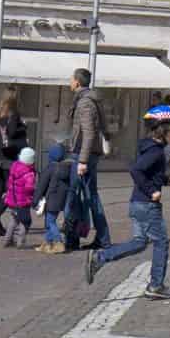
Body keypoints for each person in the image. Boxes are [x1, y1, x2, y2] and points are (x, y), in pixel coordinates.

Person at [85, 104, 170, 300]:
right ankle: (156, 285)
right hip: (147, 205)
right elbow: (136, 170)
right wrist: (152, 190)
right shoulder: (156, 152)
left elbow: (146, 171)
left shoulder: (149, 146)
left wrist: (163, 180)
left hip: (137, 203)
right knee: (161, 242)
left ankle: (100, 257)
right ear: (164, 131)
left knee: (139, 242)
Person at [64, 69, 111, 250]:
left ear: (77, 82)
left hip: (83, 154)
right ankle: (102, 238)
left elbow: (89, 133)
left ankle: (71, 238)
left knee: (74, 195)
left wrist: (82, 161)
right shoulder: (90, 99)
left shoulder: (85, 103)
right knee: (90, 196)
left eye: (71, 78)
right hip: (87, 153)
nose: (70, 81)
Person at [0, 89, 29, 237]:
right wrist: (23, 126)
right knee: (11, 190)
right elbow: (11, 133)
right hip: (8, 158)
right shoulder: (14, 115)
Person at [36, 138, 75, 251]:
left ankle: (58, 242)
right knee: (49, 221)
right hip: (61, 201)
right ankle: (47, 243)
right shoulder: (67, 168)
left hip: (51, 199)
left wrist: (35, 200)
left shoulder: (50, 169)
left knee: (50, 222)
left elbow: (41, 186)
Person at [1, 148, 38, 248]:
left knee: (14, 220)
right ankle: (20, 242)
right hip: (23, 202)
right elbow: (29, 188)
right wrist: (36, 190)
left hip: (12, 200)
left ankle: (7, 240)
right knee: (26, 221)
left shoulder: (14, 167)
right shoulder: (29, 173)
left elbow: (9, 183)